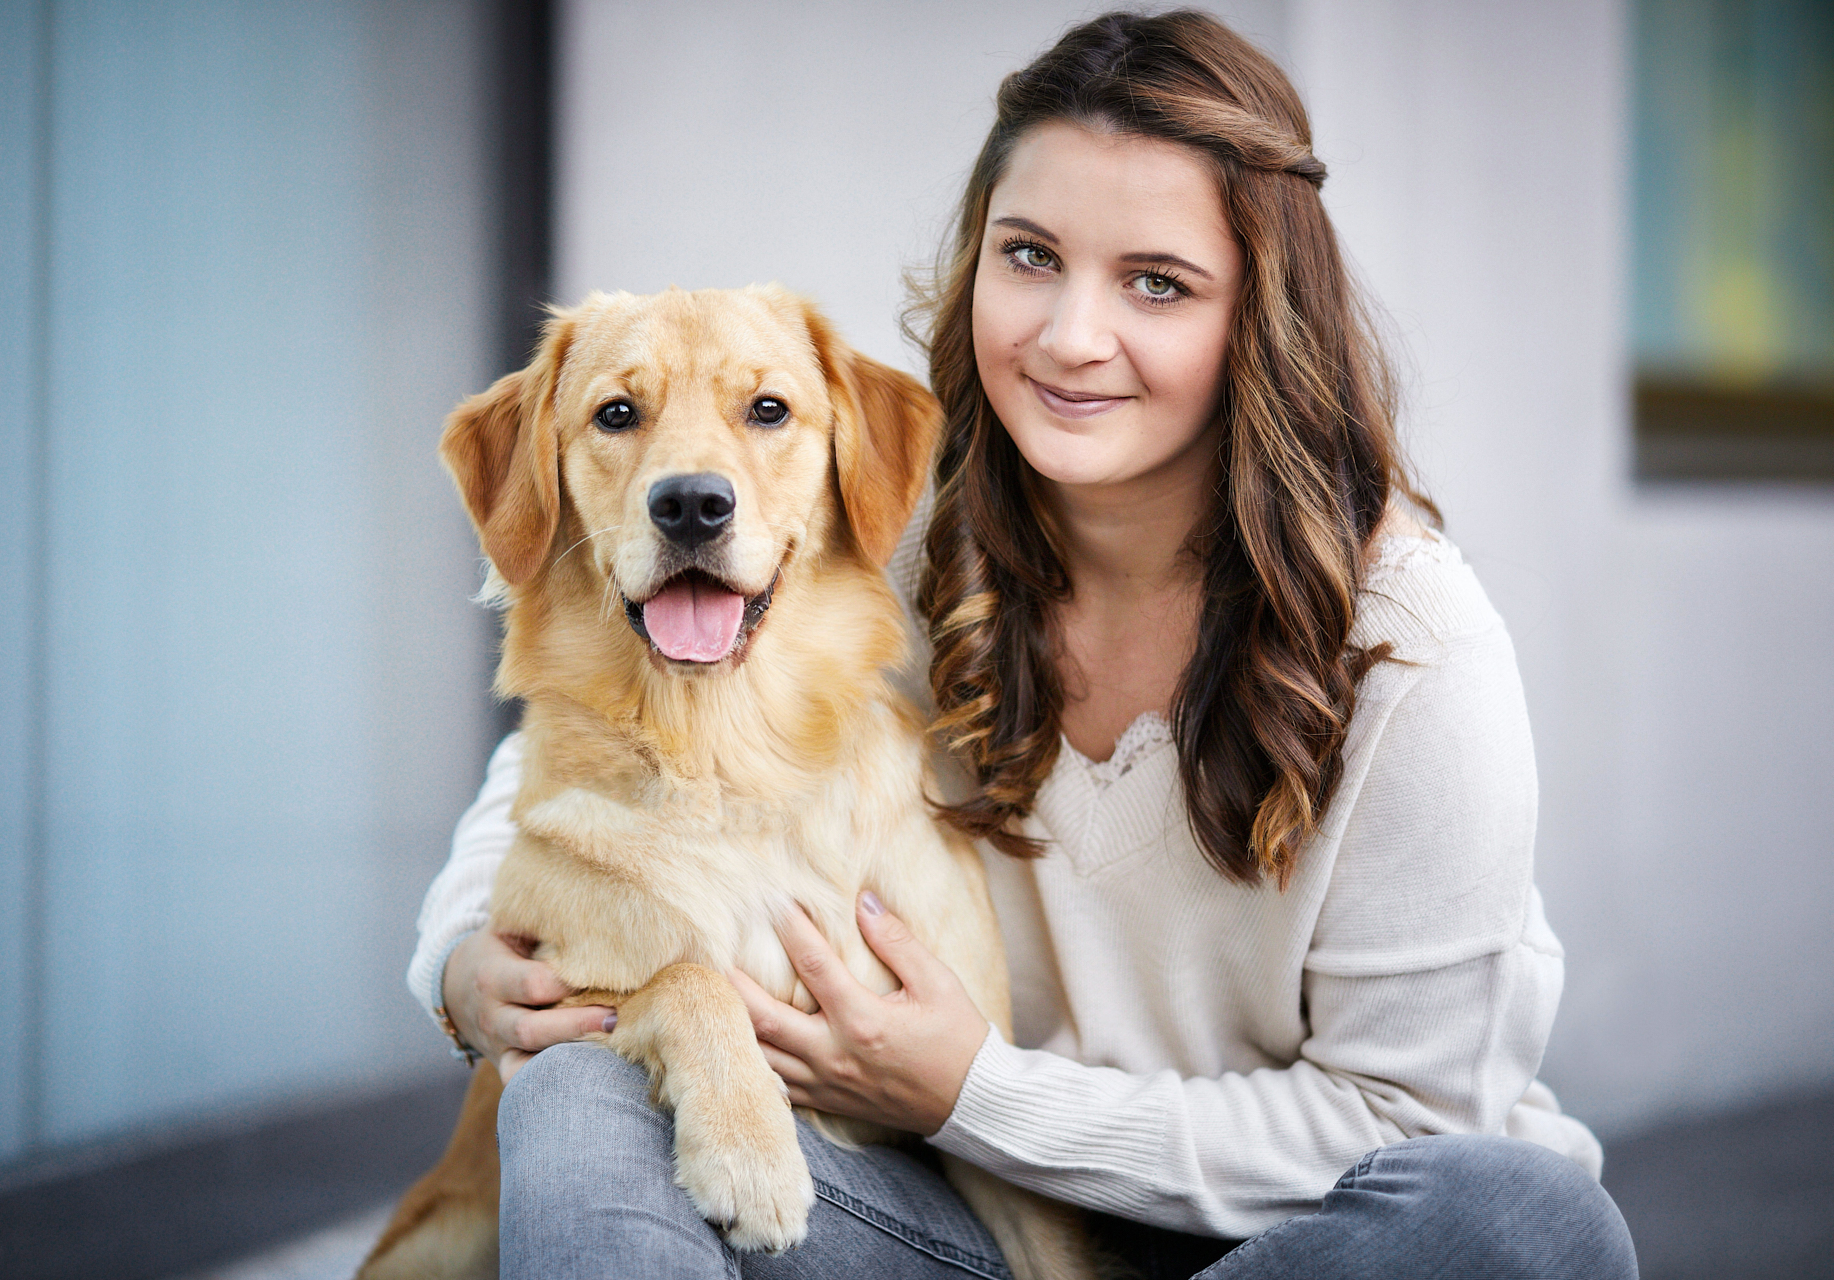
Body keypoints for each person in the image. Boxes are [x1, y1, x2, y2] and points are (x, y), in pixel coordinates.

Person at [408, 11, 1638, 1279]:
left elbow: (1410, 1124)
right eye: (1032, 256)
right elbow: (598, 763)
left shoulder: (1411, 647)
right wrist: (458, 960)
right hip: (976, 1227)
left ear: (1259, 317)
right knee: (573, 1092)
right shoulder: (885, 528)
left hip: (1296, 1244)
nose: (1068, 335)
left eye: (1156, 281)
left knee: (1526, 1215)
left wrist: (973, 1091)